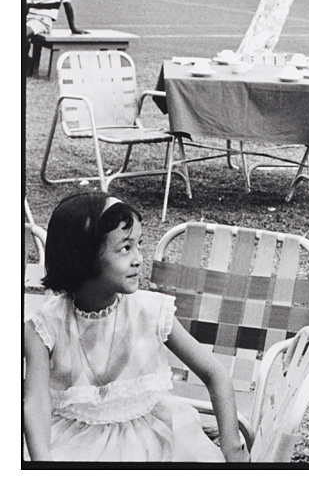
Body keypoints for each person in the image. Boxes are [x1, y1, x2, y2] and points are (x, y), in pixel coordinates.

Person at [22, 192, 249, 463]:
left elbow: (214, 374)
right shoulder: (44, 326)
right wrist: (42, 460)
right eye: (125, 248)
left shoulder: (151, 310)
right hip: (75, 443)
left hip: (155, 439)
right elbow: (35, 402)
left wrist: (232, 446)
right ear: (83, 256)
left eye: (138, 245)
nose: (139, 259)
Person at [25, 0, 84, 74]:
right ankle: (27, 63)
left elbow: (67, 4)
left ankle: (28, 63)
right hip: (30, 18)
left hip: (43, 20)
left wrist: (73, 28)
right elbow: (29, 3)